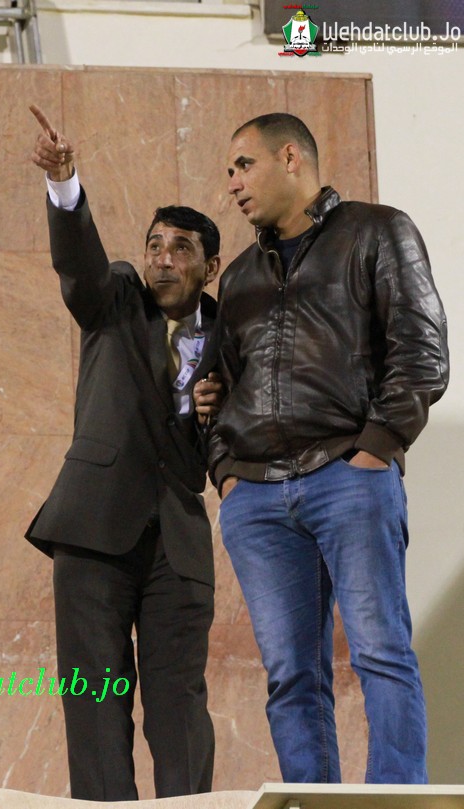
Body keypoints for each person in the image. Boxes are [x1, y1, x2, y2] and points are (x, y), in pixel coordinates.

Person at [207, 112, 448, 784]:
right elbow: (219, 386)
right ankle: (311, 802)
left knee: (380, 653)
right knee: (290, 675)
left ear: (291, 158)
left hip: (350, 477)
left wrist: (375, 449)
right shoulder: (239, 277)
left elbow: (422, 351)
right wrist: (226, 471)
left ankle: (395, 800)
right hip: (256, 498)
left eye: (243, 165)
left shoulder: (378, 231)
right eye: (229, 172)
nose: (232, 184)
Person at [24, 105, 220, 800]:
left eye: (180, 249)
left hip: (178, 542)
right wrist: (64, 183)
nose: (162, 257)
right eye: (155, 244)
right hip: (93, 528)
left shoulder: (232, 336)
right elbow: (77, 266)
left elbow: (233, 441)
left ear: (210, 267)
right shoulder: (114, 299)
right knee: (96, 703)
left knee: (180, 705)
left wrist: (216, 412)